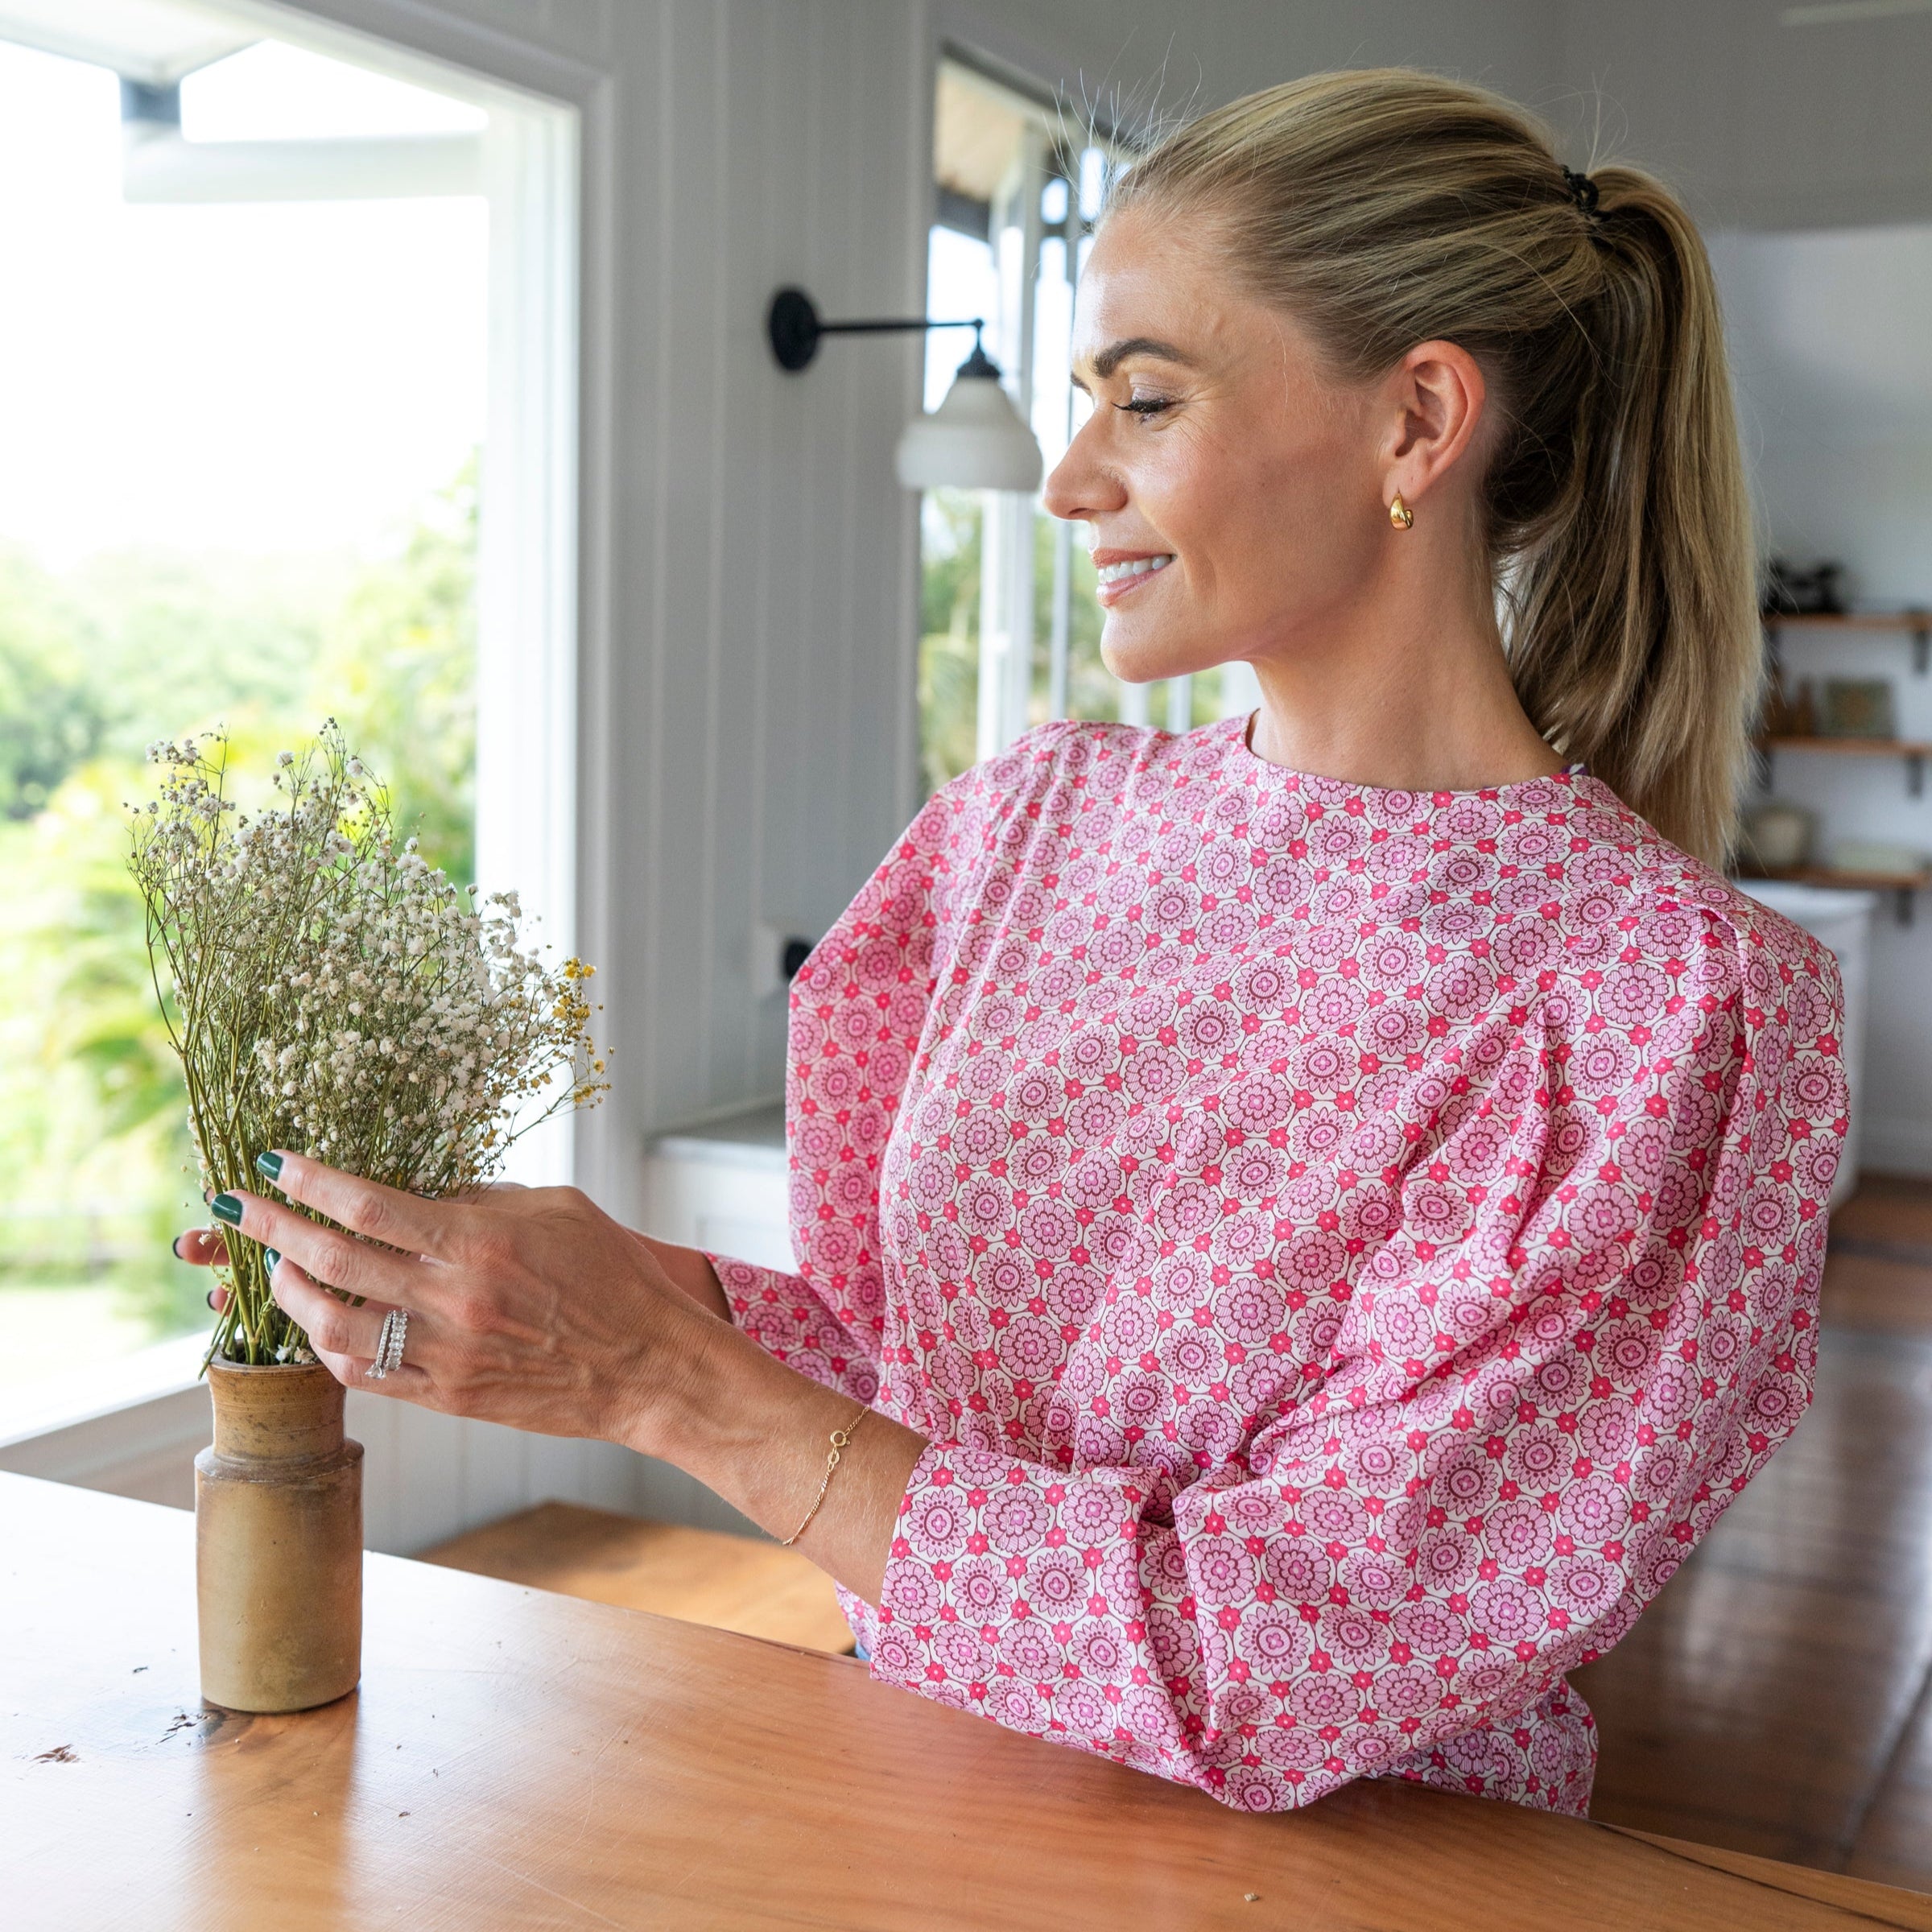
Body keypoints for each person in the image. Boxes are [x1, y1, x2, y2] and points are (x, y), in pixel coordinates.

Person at [184, 68, 1846, 1817]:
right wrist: (597, 1298)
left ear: (1418, 422)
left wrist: (665, 1379)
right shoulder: (1024, 830)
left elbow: (1272, 1661)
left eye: (1144, 400)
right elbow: (930, 1408)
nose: (1068, 482)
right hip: (917, 1805)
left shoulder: (1659, 1006)